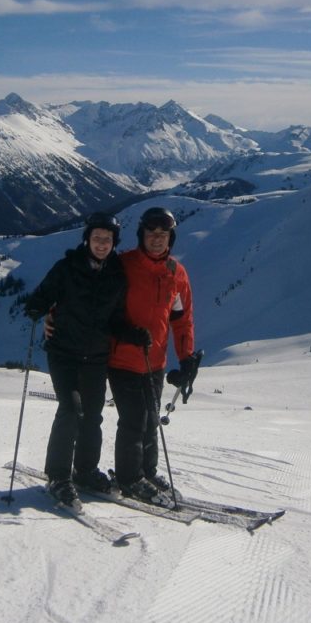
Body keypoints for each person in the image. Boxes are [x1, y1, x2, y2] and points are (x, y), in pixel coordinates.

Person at [24, 213, 150, 509]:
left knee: (92, 415)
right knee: (71, 409)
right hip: (63, 353)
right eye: (97, 238)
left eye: (107, 239)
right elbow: (41, 296)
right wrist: (38, 311)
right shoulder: (67, 268)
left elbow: (115, 319)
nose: (102, 244)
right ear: (87, 239)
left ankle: (85, 471)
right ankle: (58, 476)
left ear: (114, 242)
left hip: (95, 356)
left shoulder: (116, 276)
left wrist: (133, 334)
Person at [108, 206, 196, 504]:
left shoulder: (176, 274)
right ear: (141, 235)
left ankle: (147, 470)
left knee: (150, 420)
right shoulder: (123, 265)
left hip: (155, 362)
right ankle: (129, 478)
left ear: (171, 237)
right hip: (122, 358)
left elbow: (181, 320)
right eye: (151, 234)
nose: (157, 239)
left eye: (163, 234)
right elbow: (99, 304)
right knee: (134, 420)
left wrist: (186, 359)